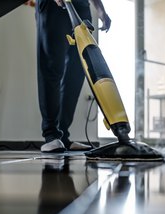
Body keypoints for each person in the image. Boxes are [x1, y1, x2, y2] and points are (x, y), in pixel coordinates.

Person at [34, 0, 111, 152]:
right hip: (52, 6)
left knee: (76, 72)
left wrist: (101, 10)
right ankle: (51, 135)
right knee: (51, 68)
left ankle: (63, 136)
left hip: (80, 6)